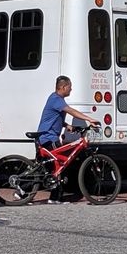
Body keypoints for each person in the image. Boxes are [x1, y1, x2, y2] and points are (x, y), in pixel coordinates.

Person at [37, 75, 98, 204]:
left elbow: (53, 118)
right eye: (70, 87)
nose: (71, 89)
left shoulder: (54, 98)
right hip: (49, 139)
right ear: (64, 87)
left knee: (51, 168)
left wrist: (67, 125)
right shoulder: (57, 99)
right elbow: (71, 111)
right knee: (59, 165)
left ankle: (49, 197)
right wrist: (89, 119)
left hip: (47, 137)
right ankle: (52, 197)